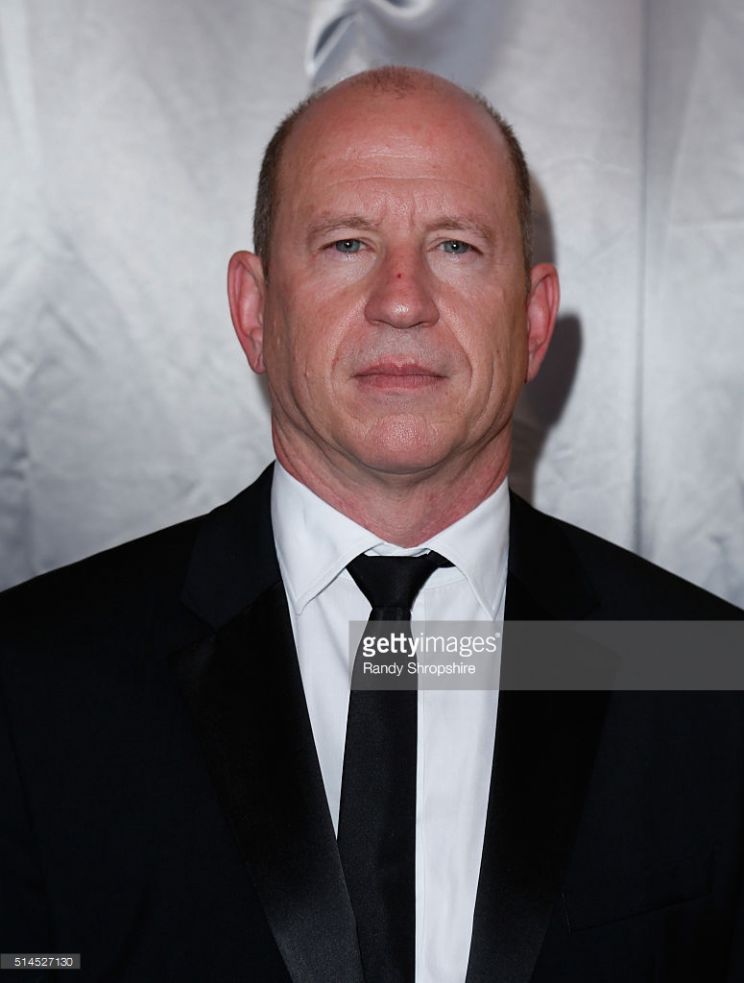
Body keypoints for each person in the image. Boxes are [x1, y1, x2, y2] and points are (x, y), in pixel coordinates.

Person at [1, 66, 743, 983]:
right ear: (253, 311)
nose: (402, 298)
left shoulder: (710, 677)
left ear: (533, 320)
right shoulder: (32, 681)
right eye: (347, 243)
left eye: (457, 246)